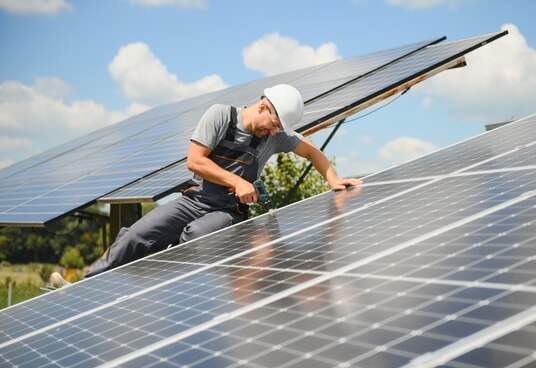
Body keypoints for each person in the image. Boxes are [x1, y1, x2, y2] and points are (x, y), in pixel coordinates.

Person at [51, 84, 361, 287]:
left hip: (228, 212)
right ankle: (81, 285)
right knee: (137, 236)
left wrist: (333, 180)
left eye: (280, 129)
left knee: (197, 237)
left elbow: (311, 151)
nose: (274, 132)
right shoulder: (220, 116)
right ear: (264, 106)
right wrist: (237, 180)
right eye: (274, 124)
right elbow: (195, 161)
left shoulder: (277, 137)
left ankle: (155, 283)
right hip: (194, 200)